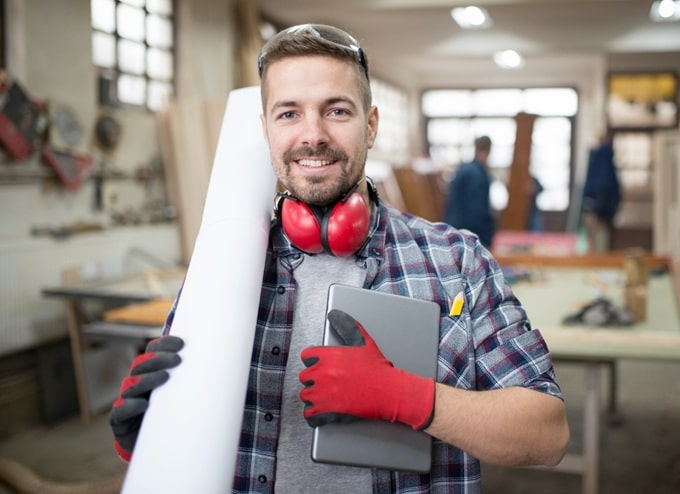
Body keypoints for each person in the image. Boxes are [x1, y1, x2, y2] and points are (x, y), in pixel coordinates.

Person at [109, 23, 568, 493]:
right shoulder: (221, 269)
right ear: (265, 129)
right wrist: (151, 438)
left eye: (336, 110)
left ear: (370, 124)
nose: (314, 135)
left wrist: (407, 397)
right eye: (288, 114)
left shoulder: (456, 262)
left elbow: (547, 435)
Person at [443, 135, 496, 248]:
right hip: (468, 233)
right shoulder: (476, 174)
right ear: (488, 151)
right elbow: (476, 210)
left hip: (454, 230)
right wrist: (486, 237)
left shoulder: (465, 168)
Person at [581, 133, 621, 252]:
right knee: (600, 239)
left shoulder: (600, 158)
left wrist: (595, 205)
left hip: (596, 205)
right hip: (602, 205)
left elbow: (599, 185)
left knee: (595, 238)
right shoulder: (605, 158)